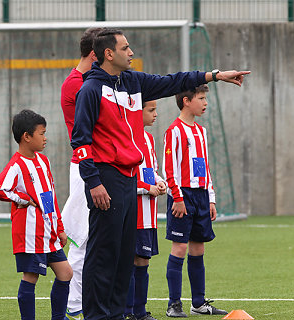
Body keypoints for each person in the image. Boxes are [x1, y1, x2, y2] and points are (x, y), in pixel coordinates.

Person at [70, 27, 249, 320]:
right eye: (126, 48)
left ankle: (115, 314)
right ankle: (96, 316)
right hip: (106, 178)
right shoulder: (90, 89)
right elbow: (80, 140)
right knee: (104, 252)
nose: (132, 52)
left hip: (128, 179)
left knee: (124, 255)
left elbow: (174, 81)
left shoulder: (133, 82)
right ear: (108, 54)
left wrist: (215, 75)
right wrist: (93, 181)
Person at [0, 109, 73, 320]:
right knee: (31, 276)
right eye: (41, 133)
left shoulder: (43, 161)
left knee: (66, 273)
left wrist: (60, 228)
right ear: (27, 136)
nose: (45, 138)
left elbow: (51, 198)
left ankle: (58, 317)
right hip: (30, 235)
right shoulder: (16, 165)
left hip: (50, 232)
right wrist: (22, 198)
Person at [163, 84, 227, 318]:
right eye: (201, 98)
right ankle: (173, 304)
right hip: (183, 196)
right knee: (180, 248)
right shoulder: (174, 131)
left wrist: (210, 198)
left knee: (198, 248)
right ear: (186, 101)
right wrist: (177, 198)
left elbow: (205, 166)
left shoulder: (201, 131)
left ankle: (198, 303)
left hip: (201, 196)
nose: (205, 102)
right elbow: (169, 169)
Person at [60, 27, 102, 320]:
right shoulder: (77, 83)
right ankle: (74, 302)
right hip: (86, 166)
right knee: (81, 236)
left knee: (95, 236)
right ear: (95, 54)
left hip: (99, 166)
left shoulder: (89, 80)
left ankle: (87, 299)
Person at [124, 100, 166, 320]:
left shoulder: (148, 139)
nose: (155, 114)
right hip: (134, 213)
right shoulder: (126, 138)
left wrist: (160, 182)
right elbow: (124, 181)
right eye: (151, 110)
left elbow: (152, 170)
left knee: (144, 261)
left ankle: (140, 310)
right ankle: (129, 311)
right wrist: (146, 189)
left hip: (150, 214)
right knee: (131, 261)